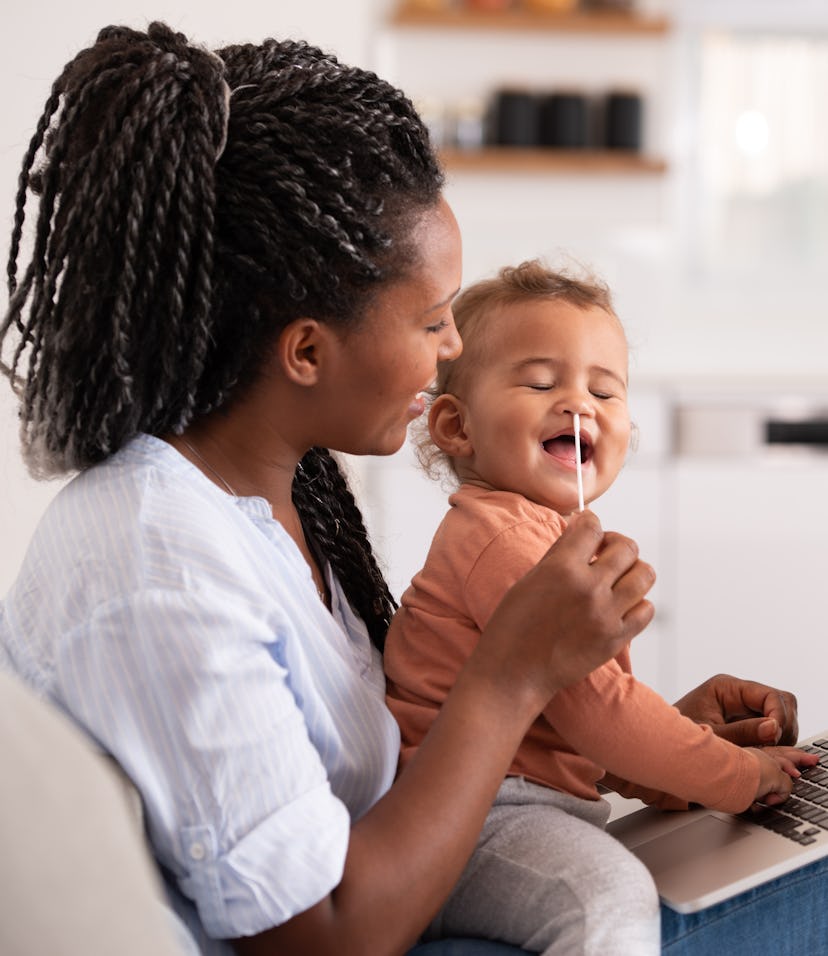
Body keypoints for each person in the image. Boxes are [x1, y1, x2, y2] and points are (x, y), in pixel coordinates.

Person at [0, 20, 823, 956]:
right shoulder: (161, 571)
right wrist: (516, 673)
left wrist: (646, 739)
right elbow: (327, 935)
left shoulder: (274, 494)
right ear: (307, 350)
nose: (454, 350)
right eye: (434, 319)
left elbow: (414, 762)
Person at [384, 260, 821, 954]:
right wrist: (735, 776)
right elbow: (600, 712)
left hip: (531, 807)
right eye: (540, 381)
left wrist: (682, 754)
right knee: (607, 900)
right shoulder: (502, 539)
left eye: (605, 391)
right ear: (454, 427)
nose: (579, 404)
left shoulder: (548, 537)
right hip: (481, 822)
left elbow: (573, 725)